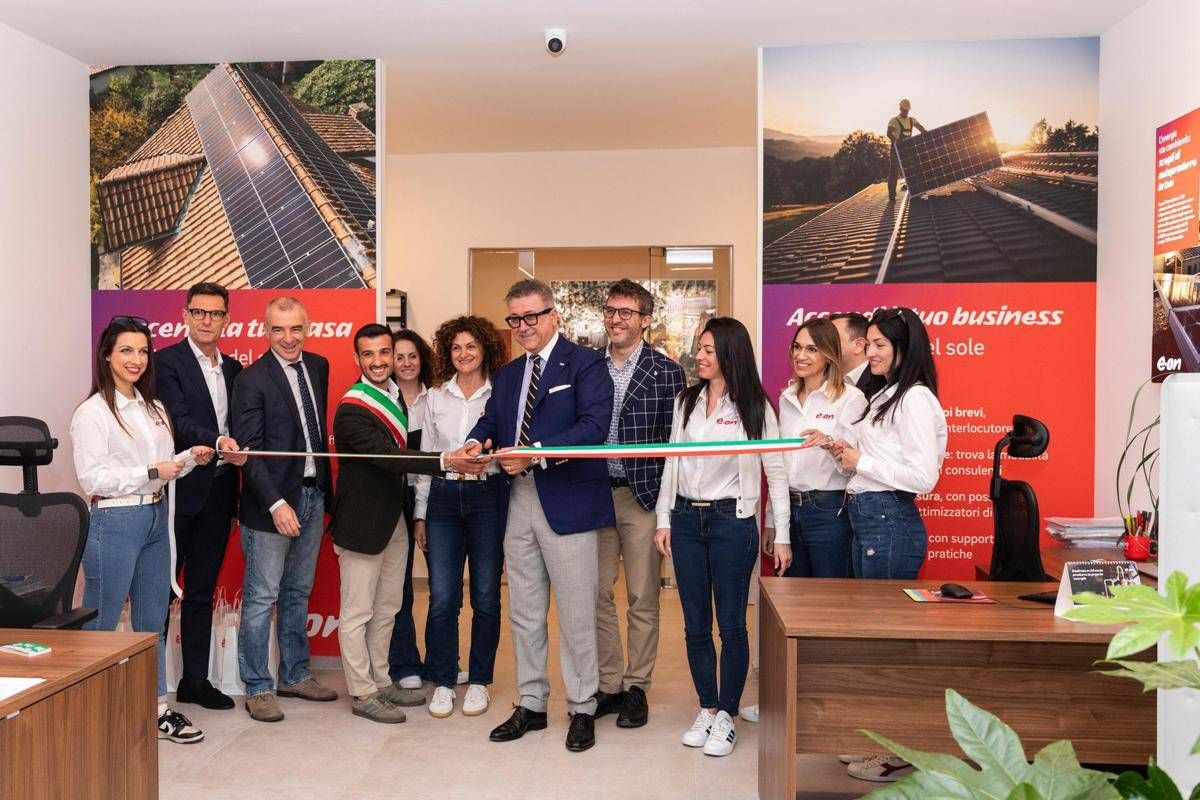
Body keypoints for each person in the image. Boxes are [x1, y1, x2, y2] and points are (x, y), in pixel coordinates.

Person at [452, 278, 615, 753]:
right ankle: (532, 703)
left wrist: (536, 451)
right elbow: (492, 421)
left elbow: (593, 428)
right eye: (515, 318)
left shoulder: (586, 364)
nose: (523, 326)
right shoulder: (507, 375)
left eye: (532, 316)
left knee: (577, 614)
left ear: (553, 314)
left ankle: (582, 707)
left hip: (569, 501)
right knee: (524, 612)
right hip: (518, 500)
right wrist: (474, 442)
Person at [70, 316, 215, 743]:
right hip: (115, 520)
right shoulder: (92, 412)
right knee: (101, 622)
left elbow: (164, 468)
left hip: (155, 518)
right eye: (126, 351)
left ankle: (157, 710)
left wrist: (190, 457)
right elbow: (93, 479)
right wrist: (152, 470)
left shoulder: (154, 407)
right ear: (106, 356)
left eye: (143, 351)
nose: (136, 359)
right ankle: (88, 714)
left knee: (152, 622)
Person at [654, 317, 790, 758]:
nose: (699, 355)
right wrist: (663, 518)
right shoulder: (686, 401)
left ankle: (728, 714)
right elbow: (672, 462)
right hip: (686, 521)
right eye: (700, 347)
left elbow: (776, 472)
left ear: (731, 353)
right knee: (695, 624)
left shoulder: (756, 406)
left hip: (732, 522)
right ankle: (708, 708)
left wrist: (781, 532)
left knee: (731, 624)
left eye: (708, 349)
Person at [821, 307, 946, 783]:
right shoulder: (885, 394)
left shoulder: (915, 398)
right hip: (868, 519)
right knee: (874, 644)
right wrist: (842, 452)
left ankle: (899, 752)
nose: (868, 352)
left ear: (903, 348)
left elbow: (924, 477)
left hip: (890, 521)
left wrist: (862, 461)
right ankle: (882, 741)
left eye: (878, 345)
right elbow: (871, 459)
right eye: (867, 343)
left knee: (889, 650)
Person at [328, 324, 449, 724]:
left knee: (388, 607)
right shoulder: (352, 408)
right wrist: (444, 461)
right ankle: (362, 692)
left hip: (393, 519)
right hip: (361, 524)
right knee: (357, 613)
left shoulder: (394, 396)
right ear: (357, 359)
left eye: (385, 353)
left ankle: (381, 681)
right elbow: (388, 457)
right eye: (369, 354)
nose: (378, 361)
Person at [231, 296, 337, 723]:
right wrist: (276, 503)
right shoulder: (251, 380)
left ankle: (295, 675)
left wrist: (321, 493)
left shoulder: (319, 367)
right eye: (279, 329)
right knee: (262, 597)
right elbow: (250, 451)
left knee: (297, 592)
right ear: (266, 331)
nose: (288, 338)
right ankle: (258, 687)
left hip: (313, 495)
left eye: (295, 328)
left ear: (307, 328)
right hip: (270, 504)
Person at [592, 279, 686, 728]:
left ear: (645, 320)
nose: (616, 319)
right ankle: (608, 683)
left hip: (642, 496)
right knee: (595, 593)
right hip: (593, 495)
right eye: (610, 310)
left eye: (626, 312)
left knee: (642, 596)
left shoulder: (667, 372)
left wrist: (667, 506)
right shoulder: (588, 367)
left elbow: (672, 446)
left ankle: (636, 687)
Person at [155, 282, 248, 712]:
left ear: (227, 318)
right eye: (199, 312)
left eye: (215, 313)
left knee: (202, 591)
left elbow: (240, 428)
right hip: (179, 492)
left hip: (220, 492)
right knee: (161, 592)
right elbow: (177, 419)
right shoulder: (166, 362)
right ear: (185, 315)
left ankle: (195, 680)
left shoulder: (234, 369)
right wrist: (217, 440)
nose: (207, 320)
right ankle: (150, 684)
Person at [414, 316, 508, 719]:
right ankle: (444, 680)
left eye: (471, 346)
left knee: (486, 596)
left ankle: (480, 680)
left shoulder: (501, 393)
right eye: (456, 347)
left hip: (488, 498)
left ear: (485, 349)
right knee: (442, 598)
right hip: (443, 500)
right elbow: (426, 461)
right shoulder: (435, 397)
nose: (463, 354)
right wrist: (420, 515)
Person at [764, 318, 867, 578]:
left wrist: (829, 444)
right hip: (787, 511)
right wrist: (772, 520)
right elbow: (778, 465)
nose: (801, 355)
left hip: (828, 513)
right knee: (789, 596)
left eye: (811, 349)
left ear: (829, 354)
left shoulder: (850, 398)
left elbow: (853, 468)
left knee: (829, 597)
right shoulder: (786, 398)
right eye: (797, 347)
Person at [387, 328, 442, 691]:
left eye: (412, 356)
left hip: (432, 496)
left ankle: (440, 663)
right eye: (399, 357)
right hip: (392, 497)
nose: (406, 363)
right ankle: (404, 662)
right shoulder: (381, 399)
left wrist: (422, 514)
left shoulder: (435, 398)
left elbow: (433, 459)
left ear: (422, 359)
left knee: (442, 586)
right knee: (399, 585)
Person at [887, 98, 928, 201]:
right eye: (904, 110)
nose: (906, 112)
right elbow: (889, 133)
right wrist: (896, 140)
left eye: (907, 110)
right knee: (894, 172)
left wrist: (925, 132)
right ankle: (892, 195)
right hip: (896, 149)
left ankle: (915, 191)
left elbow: (921, 128)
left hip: (907, 149)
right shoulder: (894, 120)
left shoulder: (912, 120)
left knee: (912, 169)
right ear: (900, 108)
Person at [829, 312, 874, 393]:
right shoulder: (824, 380)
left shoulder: (881, 381)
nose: (823, 344)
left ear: (859, 345)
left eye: (832, 338)